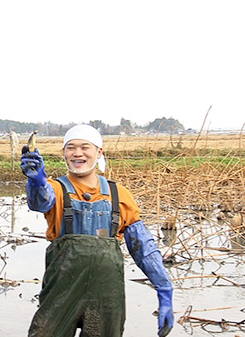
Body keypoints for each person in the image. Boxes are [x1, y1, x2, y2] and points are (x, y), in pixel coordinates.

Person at [20, 124, 174, 337]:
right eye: (71, 147)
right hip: (61, 293)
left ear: (99, 152)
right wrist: (36, 181)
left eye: (85, 147)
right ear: (64, 153)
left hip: (106, 298)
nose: (77, 153)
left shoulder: (119, 195)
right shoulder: (54, 188)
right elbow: (40, 202)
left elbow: (143, 248)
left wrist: (164, 289)